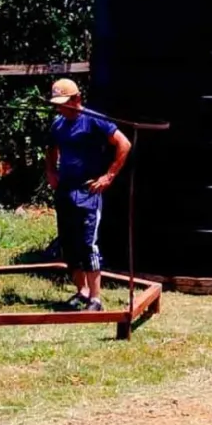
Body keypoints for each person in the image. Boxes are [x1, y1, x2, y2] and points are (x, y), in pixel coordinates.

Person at [46, 78, 131, 312]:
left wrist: (109, 176)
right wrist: (51, 171)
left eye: (64, 103)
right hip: (65, 191)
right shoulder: (57, 125)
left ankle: (96, 298)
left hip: (87, 191)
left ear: (77, 98)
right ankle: (81, 292)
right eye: (57, 103)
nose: (60, 107)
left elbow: (124, 143)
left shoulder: (94, 120)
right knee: (69, 242)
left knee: (87, 243)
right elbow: (51, 149)